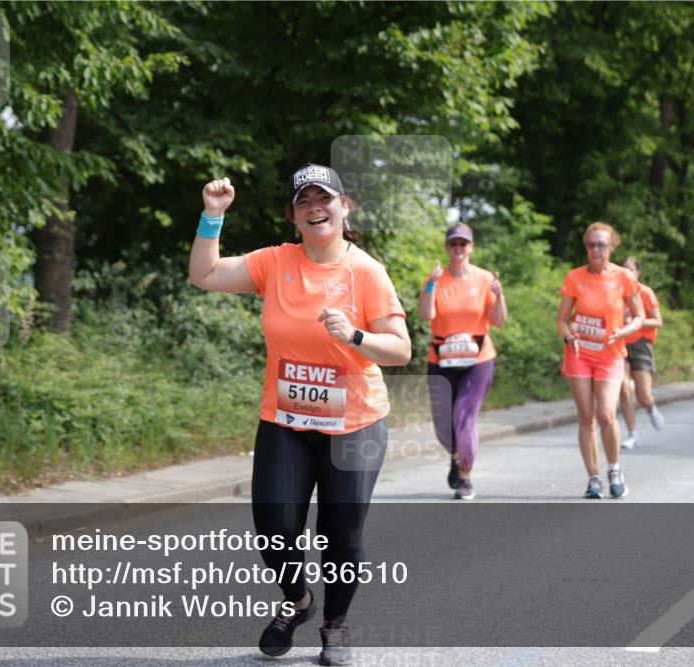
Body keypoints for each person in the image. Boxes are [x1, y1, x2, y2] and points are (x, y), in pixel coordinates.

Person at [187, 164, 411, 665]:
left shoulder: (367, 272)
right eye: (304, 201)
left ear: (343, 206)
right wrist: (212, 216)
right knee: (273, 528)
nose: (315, 207)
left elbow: (401, 350)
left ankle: (335, 627)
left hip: (355, 424)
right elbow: (203, 274)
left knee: (341, 533)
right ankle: (299, 601)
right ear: (293, 216)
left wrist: (353, 335)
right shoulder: (276, 263)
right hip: (286, 420)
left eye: (324, 198)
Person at [418, 222, 507, 500]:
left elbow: (499, 321)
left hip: (477, 359)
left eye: (463, 244)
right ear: (447, 247)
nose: (458, 248)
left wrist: (500, 294)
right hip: (441, 359)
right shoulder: (436, 278)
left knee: (464, 416)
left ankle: (466, 477)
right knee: (443, 423)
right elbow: (425, 315)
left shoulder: (483, 279)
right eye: (453, 243)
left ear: (471, 247)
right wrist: (431, 284)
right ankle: (457, 456)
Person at [556, 222, 645, 499]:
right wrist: (569, 335)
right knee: (586, 417)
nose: (596, 249)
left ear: (612, 246)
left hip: (610, 355)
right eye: (591, 244)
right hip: (580, 354)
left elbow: (640, 315)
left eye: (601, 245)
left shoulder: (623, 277)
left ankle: (614, 469)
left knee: (607, 415)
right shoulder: (575, 278)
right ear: (586, 247)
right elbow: (561, 320)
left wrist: (625, 331)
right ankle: (593, 477)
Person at [617, 256, 665, 449]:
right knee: (623, 387)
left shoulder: (645, 292)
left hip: (641, 343)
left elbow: (657, 321)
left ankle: (651, 408)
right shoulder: (616, 293)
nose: (628, 274)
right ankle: (632, 433)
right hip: (620, 343)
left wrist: (637, 320)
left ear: (638, 273)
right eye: (624, 270)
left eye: (631, 270)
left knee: (643, 395)